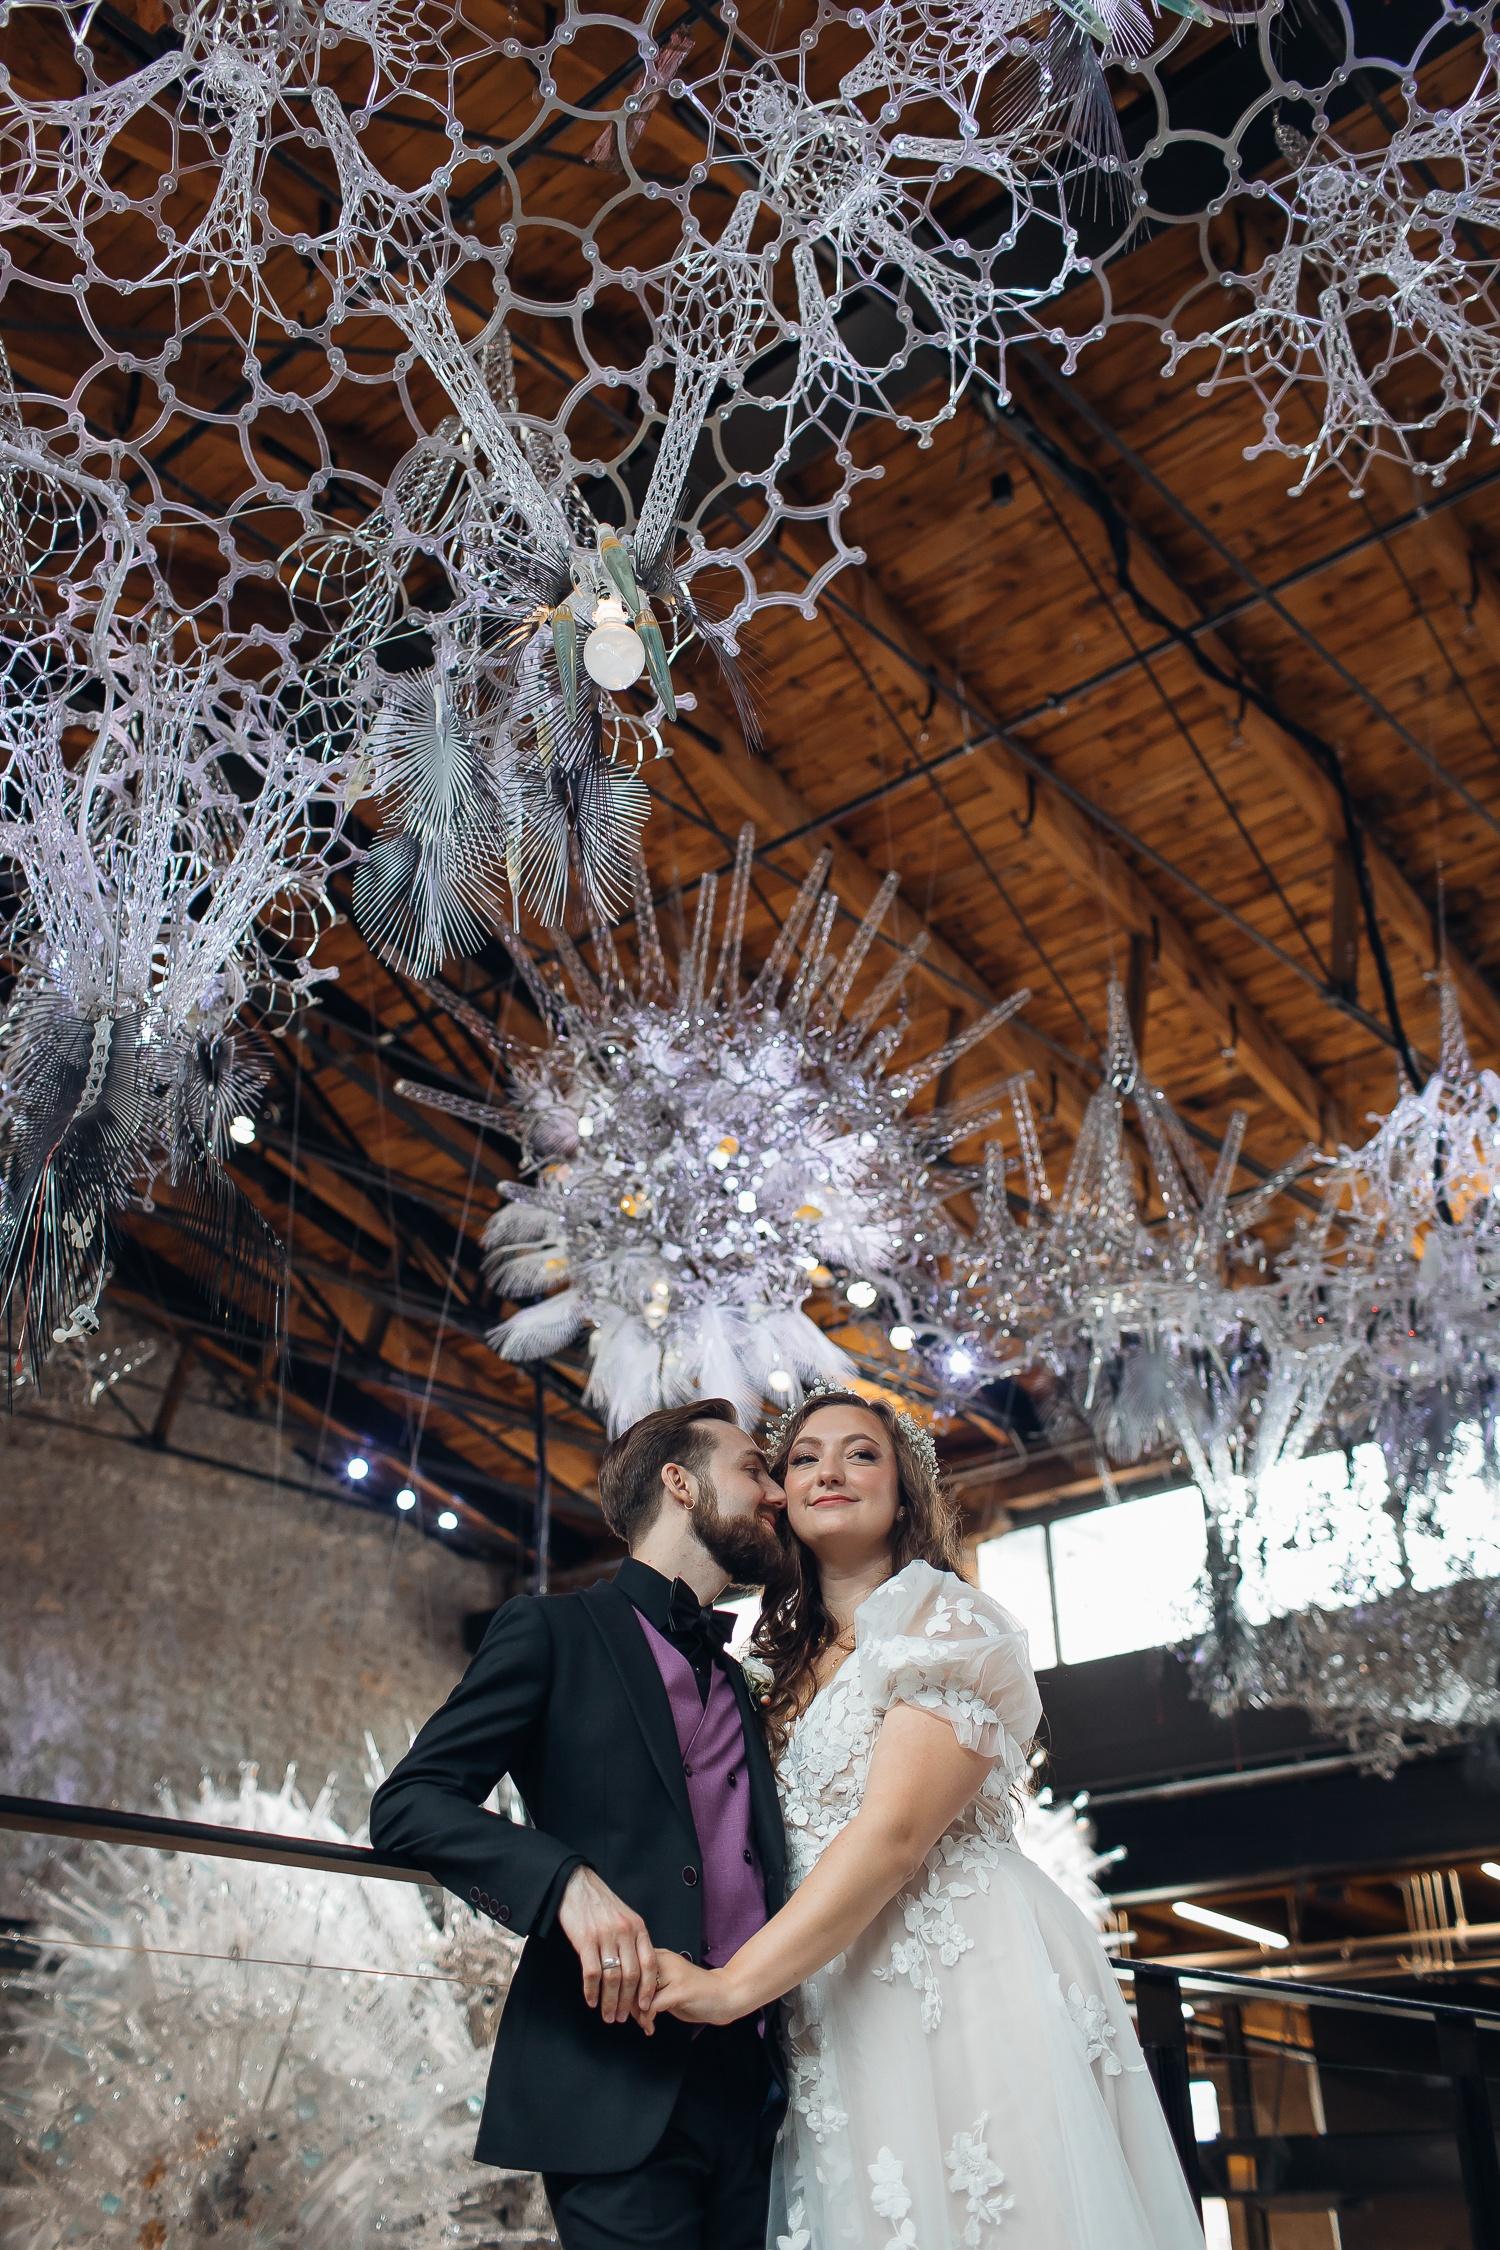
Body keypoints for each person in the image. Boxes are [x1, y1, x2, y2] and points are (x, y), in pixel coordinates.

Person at [646, 1388, 1206, 2250]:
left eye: (861, 1454)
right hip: (833, 1986)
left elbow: (895, 1837)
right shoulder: (766, 1663)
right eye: (804, 1458)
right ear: (780, 1497)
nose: (829, 1469)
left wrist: (729, 1990)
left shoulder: (943, 1623)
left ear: (904, 1493)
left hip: (958, 1973)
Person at [368, 1399, 789, 2250]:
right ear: (681, 1483)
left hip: (758, 2094)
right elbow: (409, 1803)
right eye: (754, 1468)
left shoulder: (743, 1683)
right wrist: (563, 1880)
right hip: (610, 2080)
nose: (778, 1492)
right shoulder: (549, 1631)